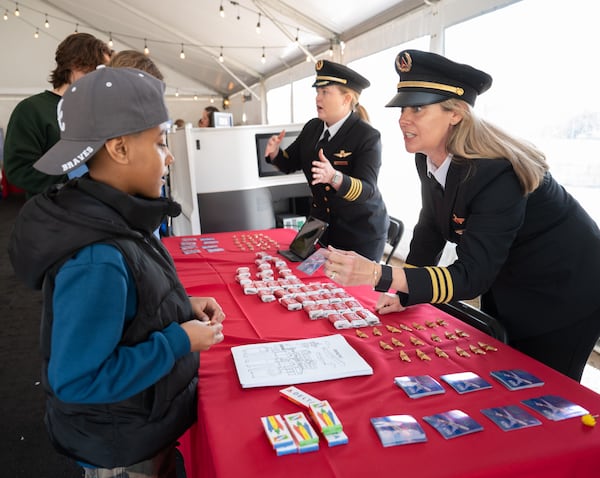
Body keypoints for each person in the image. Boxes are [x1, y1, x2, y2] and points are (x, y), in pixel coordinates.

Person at [322, 49, 600, 382]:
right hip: (509, 278)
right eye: (403, 108)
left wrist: (381, 275)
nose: (403, 119)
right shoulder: (428, 156)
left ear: (456, 113)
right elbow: (430, 227)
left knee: (543, 395)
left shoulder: (496, 172)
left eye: (418, 108)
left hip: (564, 291)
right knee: (503, 381)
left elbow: (472, 277)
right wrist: (404, 295)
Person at [8, 67, 226, 476]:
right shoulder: (97, 255)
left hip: (139, 424)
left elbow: (130, 306)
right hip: (120, 447)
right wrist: (178, 340)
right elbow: (78, 381)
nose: (170, 155)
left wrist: (180, 307)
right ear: (120, 149)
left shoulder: (115, 217)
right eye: (160, 142)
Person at [264, 60, 389, 261]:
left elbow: (367, 190)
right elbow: (291, 163)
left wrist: (334, 177)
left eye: (325, 92)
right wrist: (275, 154)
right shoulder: (312, 128)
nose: (317, 98)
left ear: (346, 99)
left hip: (359, 232)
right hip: (321, 226)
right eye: (317, 92)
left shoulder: (367, 136)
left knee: (351, 291)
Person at [3, 32, 111, 198]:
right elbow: (19, 170)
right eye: (97, 70)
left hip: (99, 210)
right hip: (53, 214)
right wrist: (73, 177)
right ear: (77, 65)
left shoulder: (97, 109)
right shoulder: (32, 110)